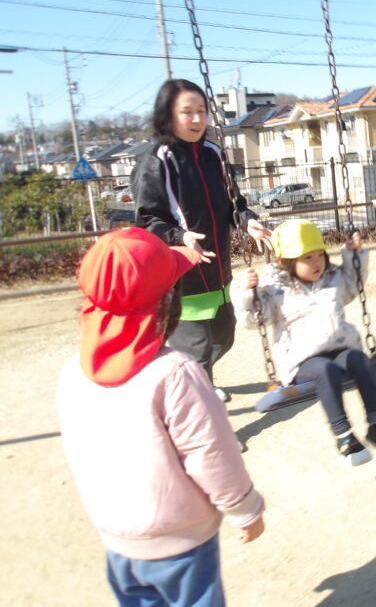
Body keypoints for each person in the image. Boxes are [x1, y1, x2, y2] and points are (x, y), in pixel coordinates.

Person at [57, 228, 266, 606]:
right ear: (168, 301)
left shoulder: (74, 373)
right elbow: (210, 452)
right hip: (181, 542)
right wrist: (244, 508)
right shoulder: (175, 373)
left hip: (118, 538)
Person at [131, 78, 272, 402]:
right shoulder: (155, 161)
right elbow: (148, 221)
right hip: (181, 276)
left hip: (218, 272)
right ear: (168, 114)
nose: (196, 119)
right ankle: (202, 399)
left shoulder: (213, 154)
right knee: (196, 349)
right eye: (187, 112)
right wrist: (179, 236)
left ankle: (197, 380)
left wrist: (248, 221)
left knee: (224, 337)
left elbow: (234, 205)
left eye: (201, 111)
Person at [233, 219, 376, 466]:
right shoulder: (275, 289)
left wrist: (353, 255)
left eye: (320, 254)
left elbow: (352, 286)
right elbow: (254, 318)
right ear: (284, 262)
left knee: (360, 360)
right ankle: (344, 437)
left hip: (339, 348)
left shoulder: (333, 278)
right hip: (303, 362)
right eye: (307, 258)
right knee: (324, 369)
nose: (317, 262)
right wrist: (245, 292)